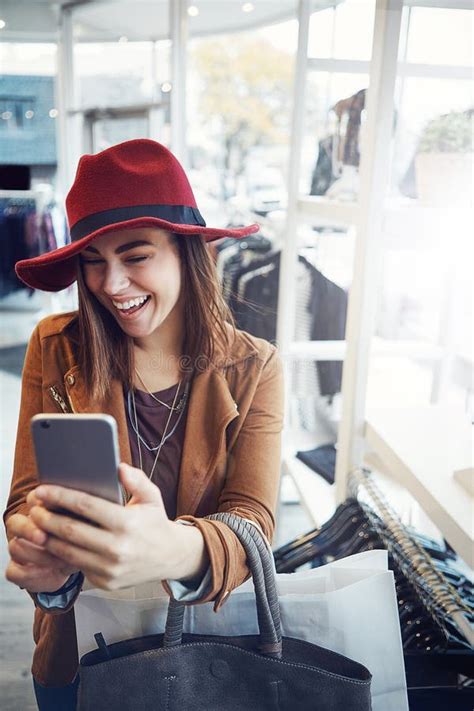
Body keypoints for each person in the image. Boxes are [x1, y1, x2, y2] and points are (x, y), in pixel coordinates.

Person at [2, 139, 284, 710]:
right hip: (78, 653)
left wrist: (173, 551)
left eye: (135, 257)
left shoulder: (255, 367)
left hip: (206, 658)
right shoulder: (56, 348)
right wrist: (39, 551)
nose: (112, 285)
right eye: (93, 262)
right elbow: (26, 496)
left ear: (186, 251)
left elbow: (255, 520)